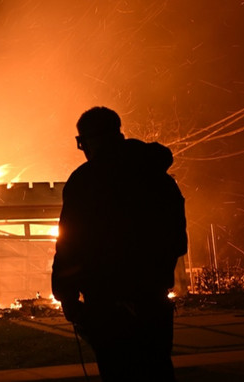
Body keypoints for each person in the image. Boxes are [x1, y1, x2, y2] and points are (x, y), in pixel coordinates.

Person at [52, 107, 187, 382]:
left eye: (82, 142)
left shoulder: (84, 183)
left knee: (118, 373)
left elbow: (69, 244)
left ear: (89, 140)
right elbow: (177, 240)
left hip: (106, 305)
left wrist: (66, 295)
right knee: (158, 370)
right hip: (153, 300)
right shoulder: (157, 176)